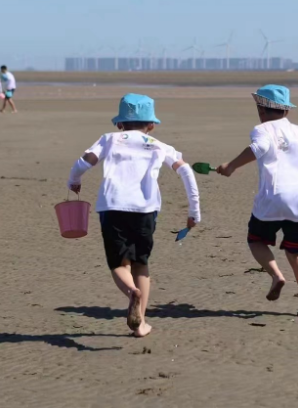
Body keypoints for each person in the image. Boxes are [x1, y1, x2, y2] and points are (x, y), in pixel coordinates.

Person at [67, 94, 202, 338]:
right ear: (151, 125)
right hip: (146, 210)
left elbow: (85, 161)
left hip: (113, 207)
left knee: (119, 263)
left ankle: (131, 293)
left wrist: (73, 181)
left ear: (119, 123)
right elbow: (186, 172)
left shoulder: (109, 139)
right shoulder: (159, 145)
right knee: (141, 264)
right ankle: (141, 324)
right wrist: (194, 211)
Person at [217, 85, 298, 318]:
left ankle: (276, 275)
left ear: (261, 110)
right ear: (286, 111)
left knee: (256, 240)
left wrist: (231, 166)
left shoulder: (262, 129)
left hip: (274, 198)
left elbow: (259, 148)